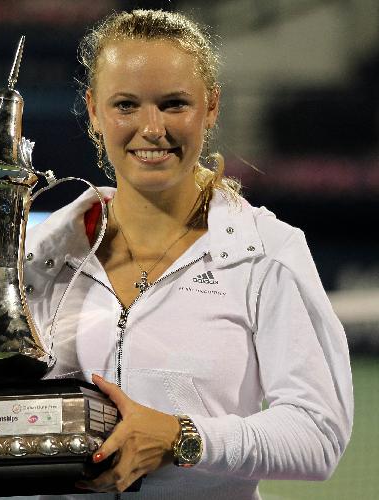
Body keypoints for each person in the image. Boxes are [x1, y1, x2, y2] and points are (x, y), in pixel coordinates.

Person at [22, 8, 354, 499]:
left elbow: (319, 433)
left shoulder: (268, 252)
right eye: (126, 105)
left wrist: (182, 437)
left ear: (211, 107)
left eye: (174, 104)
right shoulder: (40, 254)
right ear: (93, 110)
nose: (152, 128)